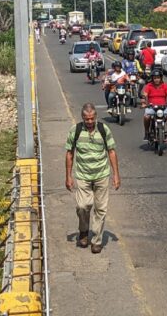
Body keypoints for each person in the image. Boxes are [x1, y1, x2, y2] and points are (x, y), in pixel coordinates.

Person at [65, 103, 121, 254]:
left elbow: (111, 151)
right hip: (82, 175)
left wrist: (116, 175)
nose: (89, 122)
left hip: (102, 175)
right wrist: (68, 176)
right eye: (86, 119)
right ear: (82, 118)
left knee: (100, 209)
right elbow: (69, 153)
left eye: (91, 118)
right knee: (83, 206)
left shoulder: (103, 129)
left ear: (95, 117)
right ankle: (83, 231)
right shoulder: (75, 130)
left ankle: (96, 240)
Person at [141, 68, 167, 142]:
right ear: (152, 78)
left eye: (158, 78)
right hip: (151, 107)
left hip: (163, 107)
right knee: (146, 117)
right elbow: (144, 95)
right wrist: (143, 103)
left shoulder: (165, 86)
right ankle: (147, 132)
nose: (156, 79)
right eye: (155, 78)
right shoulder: (149, 86)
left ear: (161, 78)